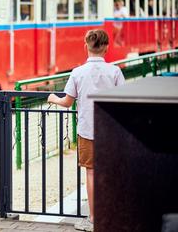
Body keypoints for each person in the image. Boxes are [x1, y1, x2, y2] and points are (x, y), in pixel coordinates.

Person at [48, 29, 125, 232]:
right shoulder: (115, 71)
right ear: (107, 47)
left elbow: (66, 101)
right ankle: (112, 213)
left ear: (86, 46)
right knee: (111, 173)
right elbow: (124, 101)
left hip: (87, 129)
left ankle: (93, 218)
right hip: (112, 131)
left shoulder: (77, 72)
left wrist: (52, 98)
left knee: (91, 173)